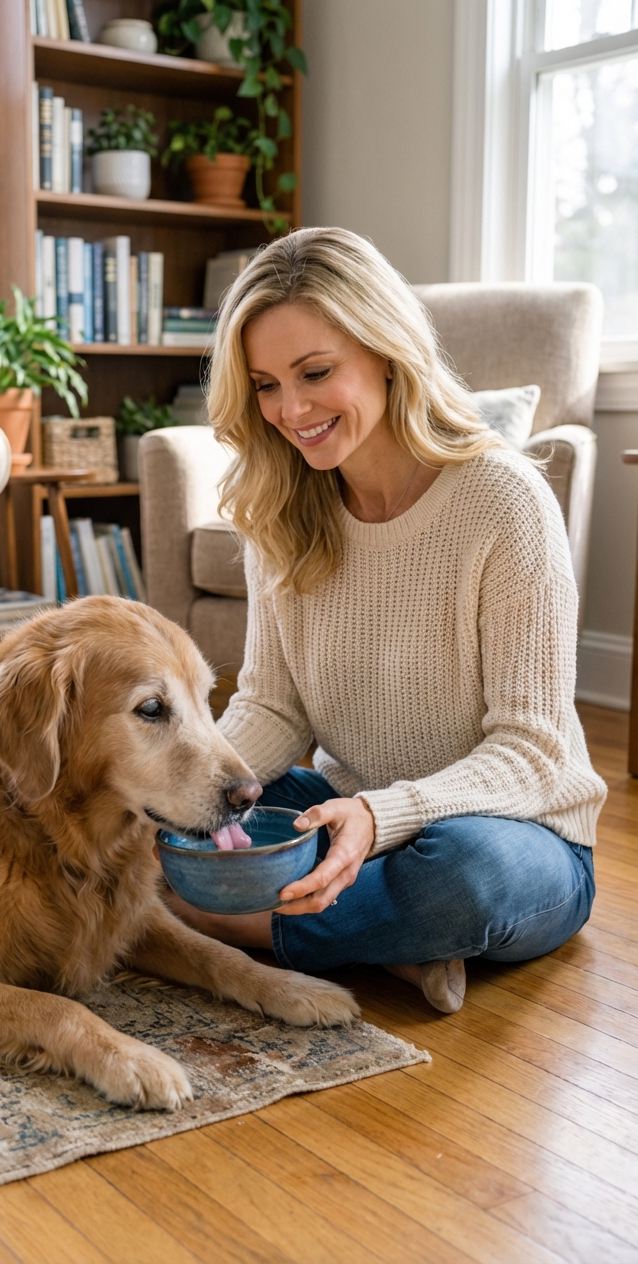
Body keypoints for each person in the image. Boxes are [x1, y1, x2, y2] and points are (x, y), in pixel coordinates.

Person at [166, 227, 605, 1014]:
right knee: (160, 825)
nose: (290, 410)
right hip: (342, 809)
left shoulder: (503, 502)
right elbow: (274, 707)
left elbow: (534, 750)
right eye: (265, 384)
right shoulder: (282, 505)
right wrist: (196, 788)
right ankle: (387, 940)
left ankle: (216, 924)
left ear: (387, 350)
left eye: (315, 372)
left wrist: (384, 813)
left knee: (467, 876)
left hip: (513, 833)